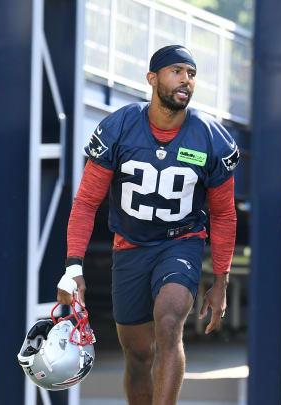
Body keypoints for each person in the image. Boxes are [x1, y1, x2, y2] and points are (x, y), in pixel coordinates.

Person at [56, 45, 239, 405]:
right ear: (152, 78)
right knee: (138, 355)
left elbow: (224, 215)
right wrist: (72, 265)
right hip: (130, 246)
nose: (186, 79)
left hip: (181, 241)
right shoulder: (120, 126)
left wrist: (221, 280)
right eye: (177, 71)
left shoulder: (211, 137)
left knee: (169, 324)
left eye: (192, 73)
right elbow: (87, 201)